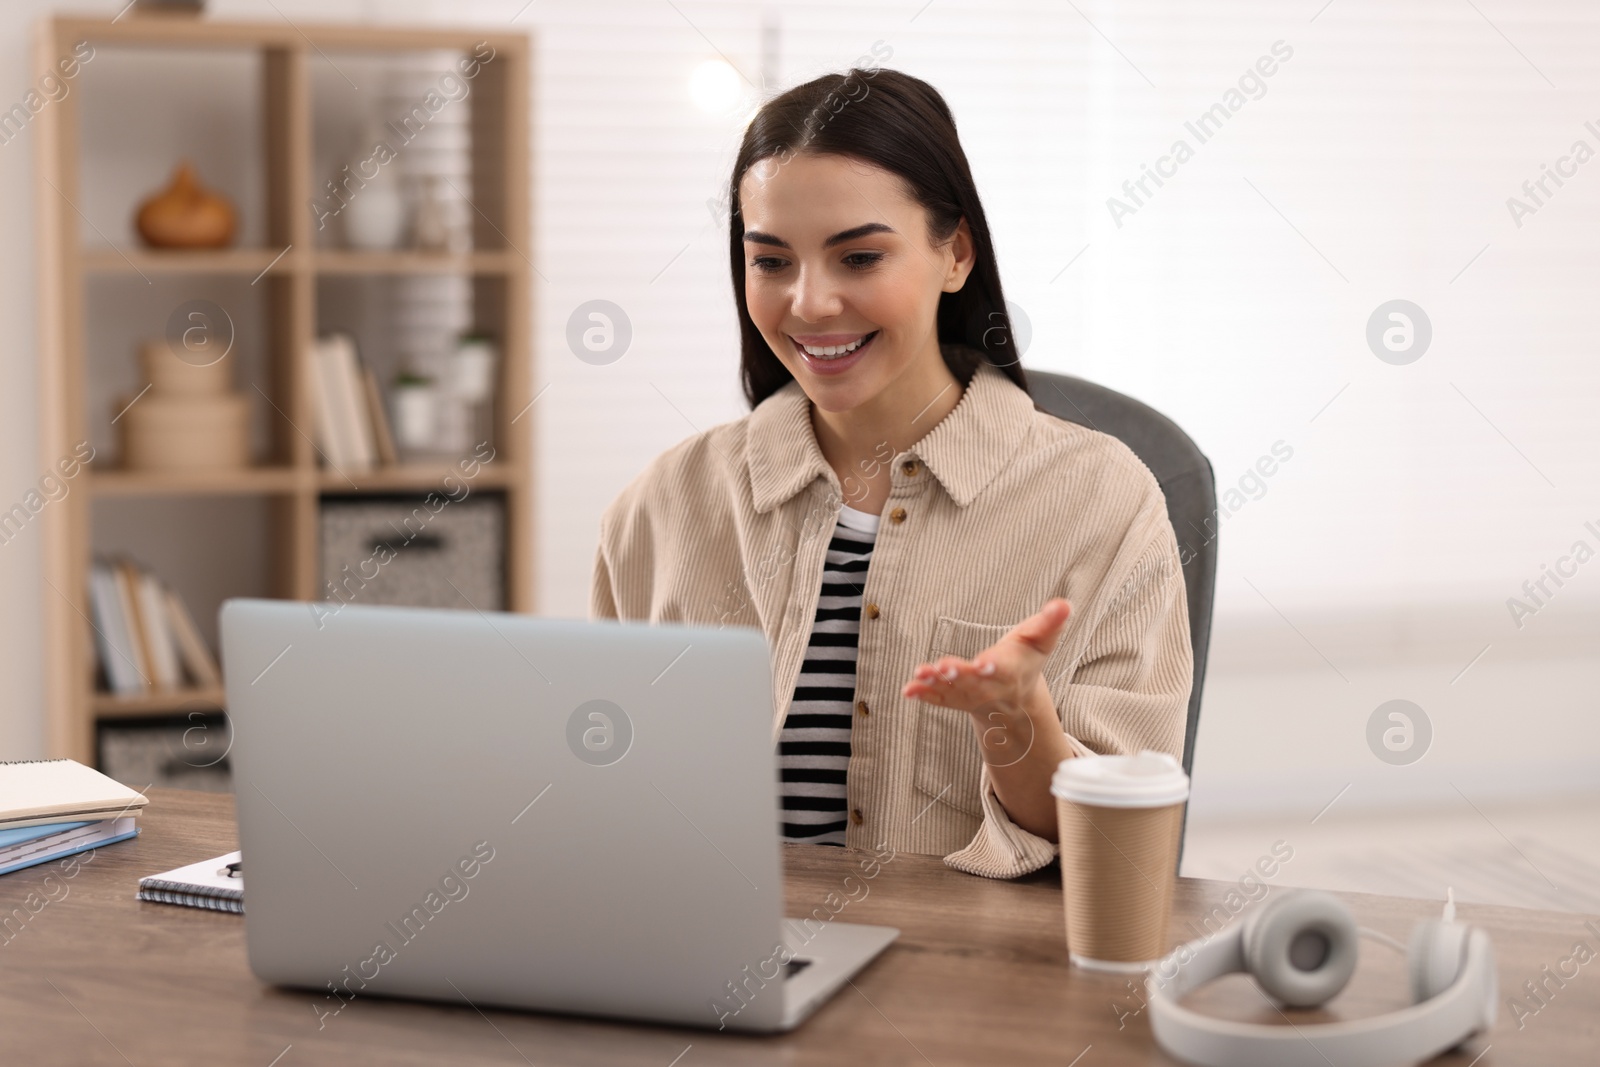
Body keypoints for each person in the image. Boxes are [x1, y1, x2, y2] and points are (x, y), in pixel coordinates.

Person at [591, 67, 1191, 878]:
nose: (809, 303)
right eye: (771, 261)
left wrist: (1016, 720)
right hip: (707, 968)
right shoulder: (663, 505)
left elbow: (1121, 850)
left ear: (955, 255)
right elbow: (606, 801)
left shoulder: (1102, 502)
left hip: (966, 983)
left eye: (860, 257)